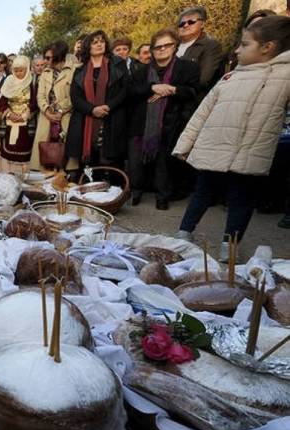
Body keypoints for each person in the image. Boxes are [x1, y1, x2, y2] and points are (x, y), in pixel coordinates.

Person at [173, 16, 290, 260]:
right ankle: (183, 234)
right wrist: (184, 145)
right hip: (214, 146)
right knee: (202, 192)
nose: (237, 50)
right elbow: (201, 113)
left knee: (241, 199)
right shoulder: (230, 77)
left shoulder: (285, 75)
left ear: (268, 47)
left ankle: (230, 246)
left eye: (245, 45)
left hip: (249, 151)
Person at [127, 28, 199, 210]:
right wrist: (153, 88)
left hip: (171, 123)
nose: (162, 49)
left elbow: (193, 92)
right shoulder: (140, 71)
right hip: (141, 124)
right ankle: (135, 192)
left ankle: (162, 196)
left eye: (166, 45)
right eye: (157, 46)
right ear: (152, 50)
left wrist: (171, 89)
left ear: (175, 46)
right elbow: (131, 91)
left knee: (164, 163)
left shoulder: (187, 68)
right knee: (136, 161)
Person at [65, 31, 128, 172]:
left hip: (112, 118)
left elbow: (124, 90)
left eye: (102, 41)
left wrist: (108, 106)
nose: (99, 44)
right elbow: (75, 97)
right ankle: (90, 190)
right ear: (88, 47)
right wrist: (92, 109)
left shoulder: (118, 64)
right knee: (90, 165)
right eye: (95, 42)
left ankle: (116, 191)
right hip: (86, 120)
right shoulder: (80, 70)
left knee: (113, 164)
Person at [31, 41, 74, 171]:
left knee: (65, 155)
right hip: (46, 118)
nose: (46, 61)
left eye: (49, 58)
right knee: (44, 155)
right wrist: (47, 111)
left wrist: (60, 110)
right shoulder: (45, 73)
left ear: (59, 56)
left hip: (65, 117)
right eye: (46, 57)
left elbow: (74, 96)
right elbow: (40, 95)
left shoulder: (73, 70)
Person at [0, 55, 35, 173]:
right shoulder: (9, 81)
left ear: (26, 69)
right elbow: (2, 102)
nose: (18, 73)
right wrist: (10, 114)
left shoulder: (30, 81)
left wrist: (24, 115)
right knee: (8, 147)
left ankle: (22, 175)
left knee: (23, 147)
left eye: (21, 70)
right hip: (10, 120)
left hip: (25, 120)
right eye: (16, 70)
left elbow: (34, 101)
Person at [176, 6, 224, 103]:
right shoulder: (172, 45)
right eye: (181, 24)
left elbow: (203, 79)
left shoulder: (210, 46)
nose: (185, 25)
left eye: (191, 22)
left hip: (189, 104)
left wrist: (171, 86)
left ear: (202, 24)